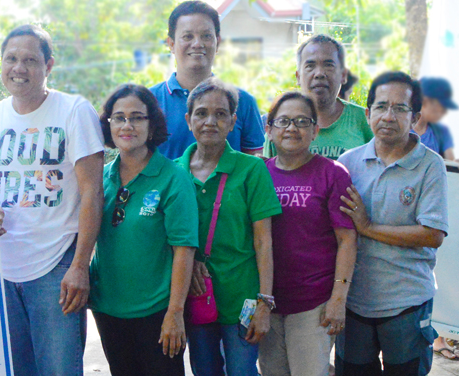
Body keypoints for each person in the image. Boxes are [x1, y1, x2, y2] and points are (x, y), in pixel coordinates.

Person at [0, 24, 104, 376]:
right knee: (16, 369)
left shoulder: (74, 111)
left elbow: (93, 192)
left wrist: (80, 266)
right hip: (1, 268)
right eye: (11, 59)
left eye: (30, 60)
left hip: (56, 266)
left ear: (48, 66)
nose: (19, 68)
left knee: (60, 370)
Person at [336, 71, 448, 376]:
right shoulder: (348, 163)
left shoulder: (430, 165)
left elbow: (432, 234)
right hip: (354, 300)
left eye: (400, 108)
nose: (389, 116)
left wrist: (368, 227)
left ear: (414, 117)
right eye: (381, 106)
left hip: (407, 303)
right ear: (369, 112)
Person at [175, 78, 280, 376]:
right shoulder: (174, 172)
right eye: (201, 113)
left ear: (234, 121)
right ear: (188, 119)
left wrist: (264, 303)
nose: (210, 121)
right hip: (194, 296)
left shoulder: (252, 169)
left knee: (242, 371)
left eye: (221, 114)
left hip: (242, 298)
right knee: (204, 370)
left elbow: (264, 242)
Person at [89, 83, 196, 375]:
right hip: (108, 309)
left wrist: (175, 313)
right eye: (119, 117)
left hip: (158, 313)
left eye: (137, 117)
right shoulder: (101, 177)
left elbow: (184, 249)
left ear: (152, 125)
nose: (127, 125)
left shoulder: (173, 178)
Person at [259, 91, 358, 376]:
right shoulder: (260, 173)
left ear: (315, 130)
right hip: (270, 302)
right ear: (269, 129)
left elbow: (347, 239)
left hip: (313, 304)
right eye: (284, 121)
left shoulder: (332, 174)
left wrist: (338, 298)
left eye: (302, 121)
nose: (292, 128)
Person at [151, 1, 264, 159]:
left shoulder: (244, 102)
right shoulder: (149, 102)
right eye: (188, 36)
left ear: (218, 43)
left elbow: (255, 169)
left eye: (206, 36)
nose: (197, 44)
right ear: (171, 43)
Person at [264, 34, 372, 160]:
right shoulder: (281, 125)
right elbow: (268, 174)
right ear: (298, 77)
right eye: (310, 66)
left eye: (328, 65)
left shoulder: (364, 120)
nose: (319, 73)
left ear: (343, 75)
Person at [415, 77, 456, 160]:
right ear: (425, 102)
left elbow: (450, 164)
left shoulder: (441, 131)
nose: (444, 112)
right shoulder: (401, 130)